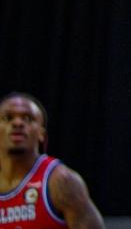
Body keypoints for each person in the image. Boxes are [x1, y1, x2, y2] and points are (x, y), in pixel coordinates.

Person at [0, 93, 104, 228]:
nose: (17, 123)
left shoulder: (62, 181)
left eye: (27, 118)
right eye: (8, 118)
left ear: (41, 134)